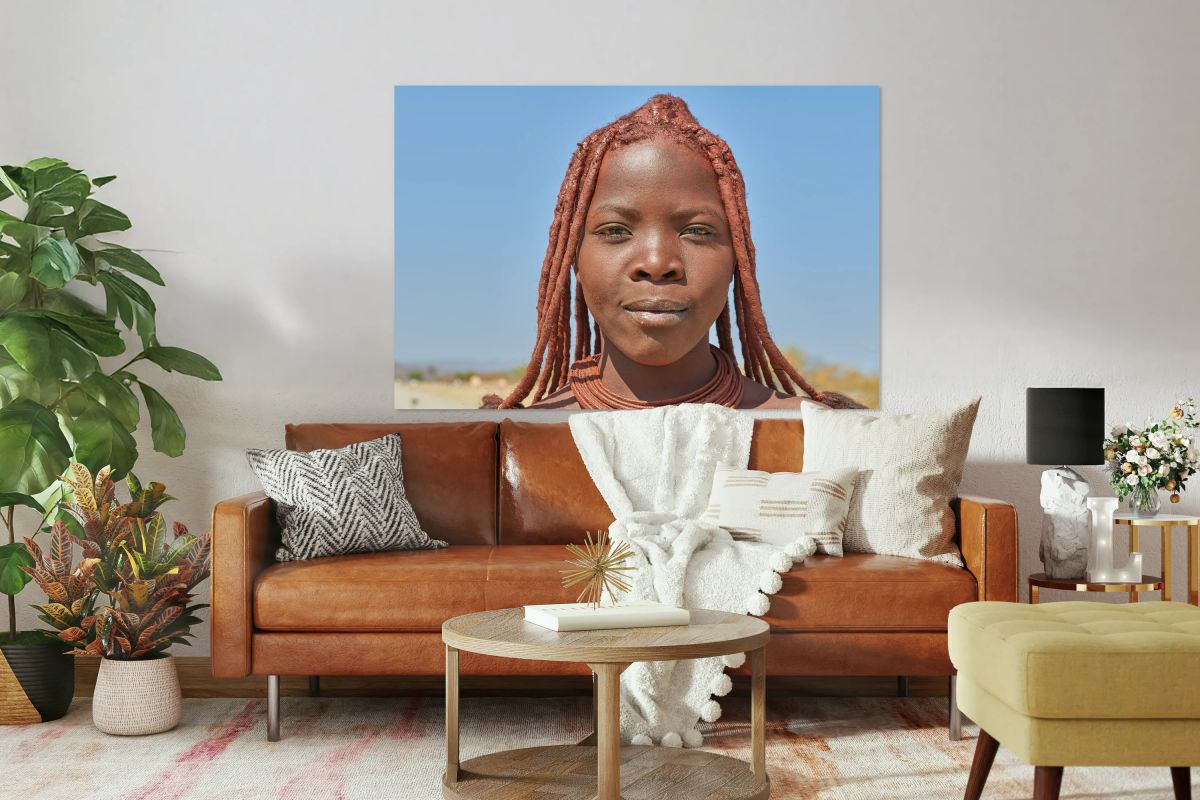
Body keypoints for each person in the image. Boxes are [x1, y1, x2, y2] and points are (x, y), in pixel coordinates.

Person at [482, 93, 863, 410]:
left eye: (697, 231)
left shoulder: (823, 438)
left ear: (738, 262)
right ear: (573, 259)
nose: (657, 264)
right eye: (615, 231)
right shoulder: (499, 444)